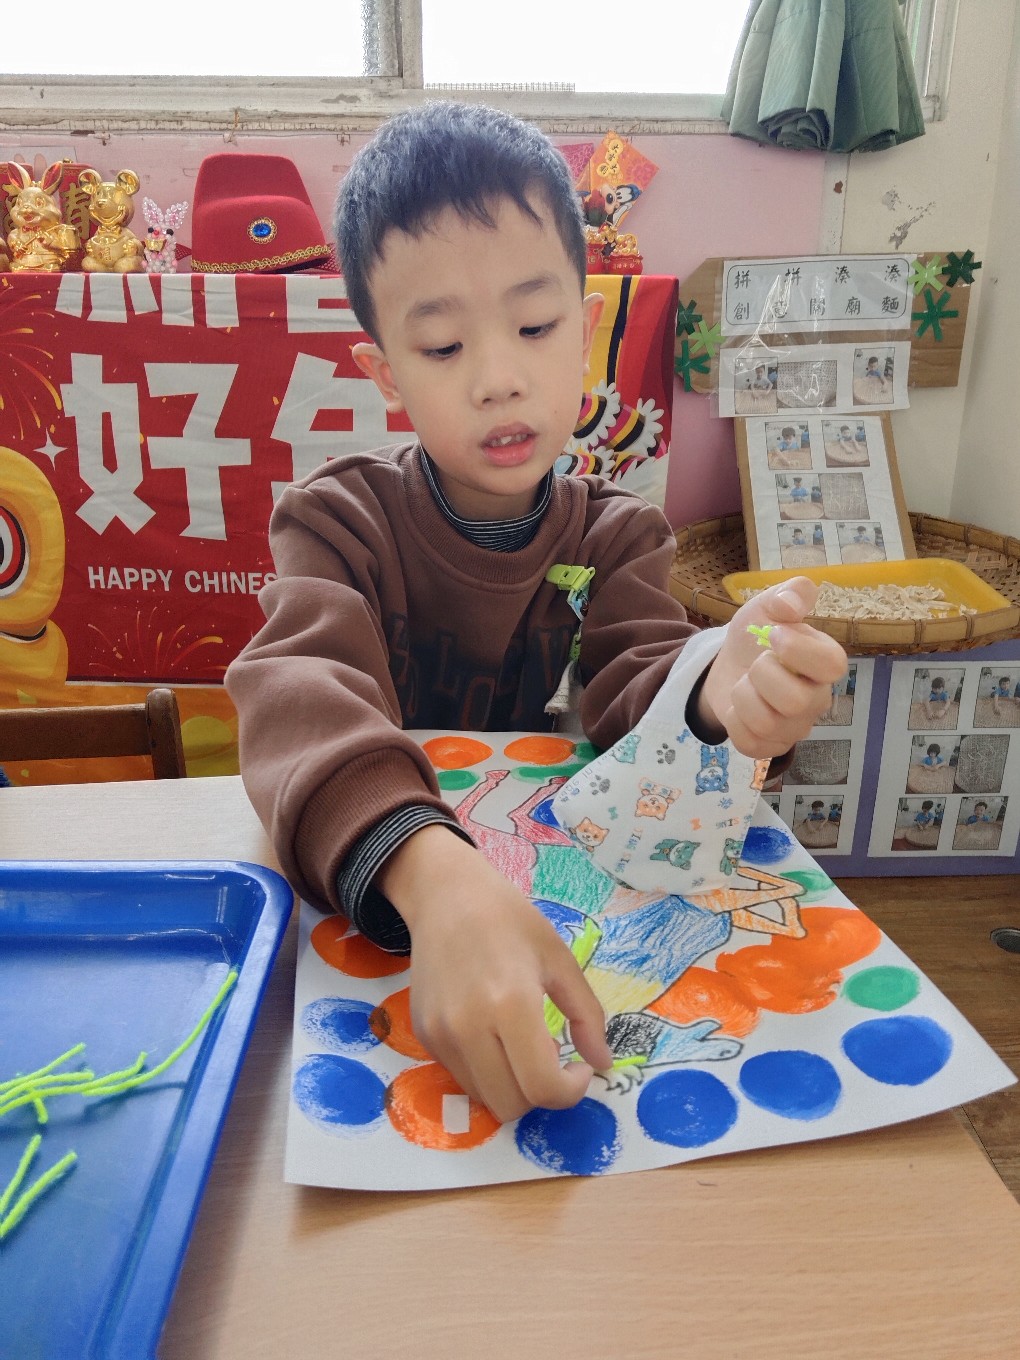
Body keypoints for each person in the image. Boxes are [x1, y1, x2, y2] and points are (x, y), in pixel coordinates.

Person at [225, 101, 847, 1123]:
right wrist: (433, 874)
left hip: (550, 901)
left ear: (588, 332)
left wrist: (719, 692)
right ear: (386, 376)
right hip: (380, 896)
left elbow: (640, 688)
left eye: (534, 327)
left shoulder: (617, 535)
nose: (499, 379)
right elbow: (297, 693)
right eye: (441, 346)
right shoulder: (337, 522)